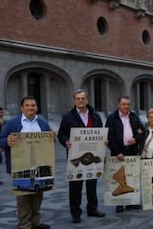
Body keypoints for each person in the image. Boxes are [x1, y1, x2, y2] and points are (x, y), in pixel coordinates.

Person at [0, 97, 51, 229]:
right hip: (20, 166)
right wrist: (7, 142)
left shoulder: (43, 123)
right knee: (23, 197)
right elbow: (0, 140)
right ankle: (25, 224)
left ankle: (36, 222)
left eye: (33, 105)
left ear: (37, 108)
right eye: (27, 105)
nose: (30, 108)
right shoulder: (12, 123)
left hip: (40, 165)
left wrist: (52, 138)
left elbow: (49, 142)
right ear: (22, 108)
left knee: (38, 194)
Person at [58, 89, 105, 223]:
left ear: (87, 100)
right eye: (78, 98)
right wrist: (65, 141)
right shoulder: (68, 117)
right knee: (75, 186)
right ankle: (75, 212)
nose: (80, 100)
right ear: (74, 100)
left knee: (92, 183)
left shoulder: (95, 116)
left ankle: (92, 208)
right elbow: (61, 134)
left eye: (83, 98)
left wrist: (104, 140)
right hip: (75, 157)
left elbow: (101, 133)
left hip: (93, 155)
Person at [105, 96, 144, 213]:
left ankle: (131, 202)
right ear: (119, 105)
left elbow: (142, 131)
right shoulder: (112, 118)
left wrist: (136, 139)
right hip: (119, 152)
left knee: (131, 177)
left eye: (128, 104)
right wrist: (117, 152)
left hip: (132, 150)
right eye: (124, 104)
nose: (126, 106)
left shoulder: (133, 116)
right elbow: (109, 136)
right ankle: (120, 203)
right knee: (119, 177)